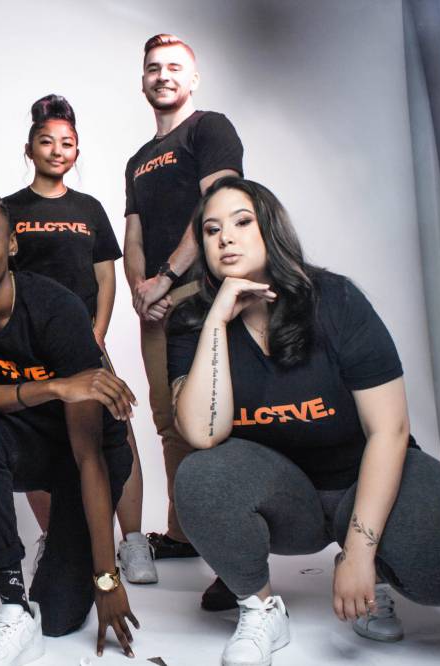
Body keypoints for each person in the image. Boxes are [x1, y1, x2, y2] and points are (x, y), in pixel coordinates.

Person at [166, 177, 440, 666]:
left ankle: (374, 578)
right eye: (212, 230)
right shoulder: (193, 321)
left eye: (242, 222)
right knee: (200, 475)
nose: (226, 238)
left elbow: (389, 430)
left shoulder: (335, 301)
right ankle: (261, 609)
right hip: (288, 501)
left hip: (361, 480)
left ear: (271, 230)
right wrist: (217, 322)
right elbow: (202, 433)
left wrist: (361, 555)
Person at [0, 188, 140, 665]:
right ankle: (12, 604)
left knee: (60, 621)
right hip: (26, 441)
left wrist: (107, 576)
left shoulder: (56, 308)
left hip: (87, 454)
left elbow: (89, 456)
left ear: (11, 245)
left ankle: (66, 552)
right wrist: (56, 387)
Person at [4, 94, 157, 585]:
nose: (57, 150)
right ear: (29, 148)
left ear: (76, 151)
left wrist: (96, 330)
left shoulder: (88, 208)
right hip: (28, 345)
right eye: (46, 141)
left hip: (83, 337)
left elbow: (105, 275)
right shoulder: (8, 208)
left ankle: (133, 542)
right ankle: (56, 540)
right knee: (40, 436)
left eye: (67, 143)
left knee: (116, 429)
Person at [124, 32, 245, 609]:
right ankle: (182, 533)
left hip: (203, 295)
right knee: (170, 419)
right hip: (156, 302)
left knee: (215, 422)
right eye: (153, 68)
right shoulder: (137, 159)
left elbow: (216, 208)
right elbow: (134, 233)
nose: (163, 75)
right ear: (142, 80)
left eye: (174, 67)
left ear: (192, 80)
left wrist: (169, 279)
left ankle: (234, 554)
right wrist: (140, 291)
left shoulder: (209, 128)